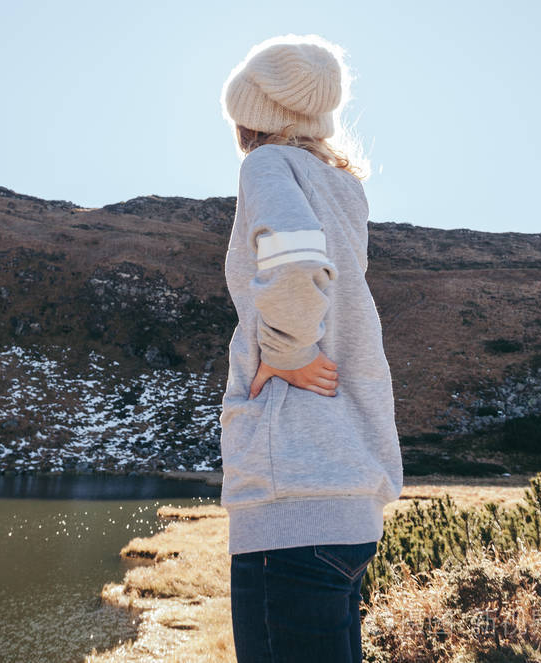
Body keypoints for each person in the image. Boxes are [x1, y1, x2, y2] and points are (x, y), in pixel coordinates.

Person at [218, 33, 404, 663]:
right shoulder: (342, 186)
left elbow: (296, 260)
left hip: (291, 498)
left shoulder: (266, 166)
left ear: (256, 113)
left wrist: (289, 351)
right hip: (344, 496)